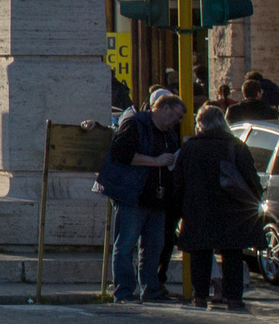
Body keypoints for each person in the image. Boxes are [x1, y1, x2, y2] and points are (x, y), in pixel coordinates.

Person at [172, 104, 263, 311]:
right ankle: (233, 298)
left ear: (200, 124)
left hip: (198, 210)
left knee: (200, 253)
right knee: (232, 254)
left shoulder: (190, 148)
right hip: (232, 210)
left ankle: (200, 296)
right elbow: (251, 178)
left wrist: (178, 211)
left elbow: (178, 182)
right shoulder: (236, 145)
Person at [97, 95, 183, 302]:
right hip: (134, 196)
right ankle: (124, 291)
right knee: (126, 245)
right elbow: (121, 153)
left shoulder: (168, 133)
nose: (178, 122)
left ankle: (151, 289)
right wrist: (155, 161)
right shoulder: (136, 124)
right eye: (177, 116)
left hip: (158, 199)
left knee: (154, 247)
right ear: (165, 108)